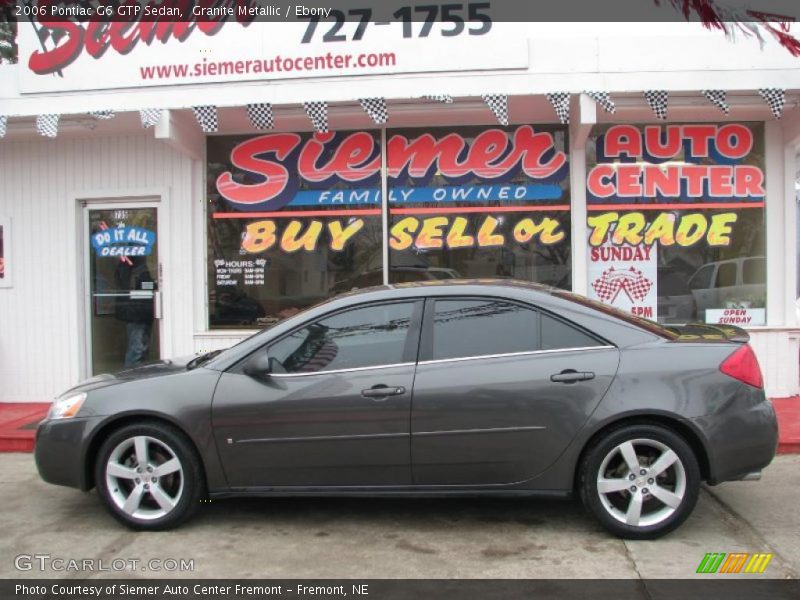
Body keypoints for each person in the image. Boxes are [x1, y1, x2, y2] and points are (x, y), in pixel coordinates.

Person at [114, 256, 155, 368]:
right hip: (137, 312)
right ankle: (131, 378)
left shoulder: (131, 267)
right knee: (138, 349)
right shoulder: (132, 268)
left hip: (140, 312)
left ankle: (135, 376)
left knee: (140, 348)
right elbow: (132, 289)